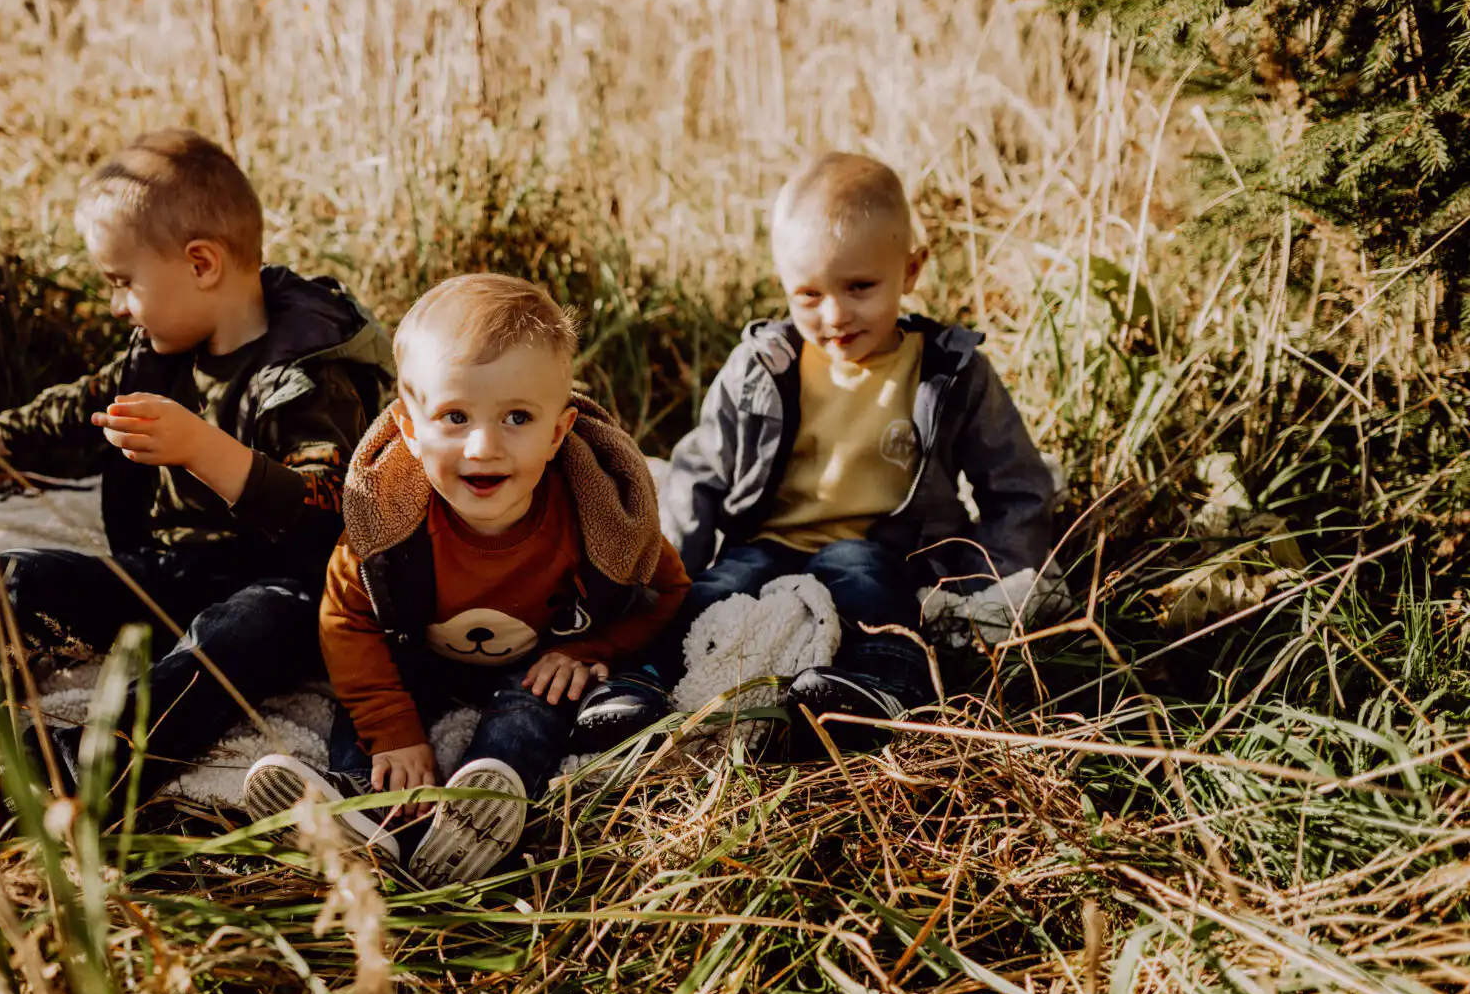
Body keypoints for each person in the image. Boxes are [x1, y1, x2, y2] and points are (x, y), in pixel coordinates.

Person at [0, 129, 393, 801]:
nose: (115, 305)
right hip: (170, 572)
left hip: (284, 592)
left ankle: (92, 767)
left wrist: (202, 449)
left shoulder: (305, 377)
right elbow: (86, 402)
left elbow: (325, 509)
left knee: (234, 634)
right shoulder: (161, 350)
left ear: (201, 264)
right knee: (12, 577)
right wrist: (0, 435)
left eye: (123, 283)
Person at [242, 275, 689, 882]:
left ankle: (483, 804)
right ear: (407, 426)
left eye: (516, 417)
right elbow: (344, 617)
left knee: (538, 704)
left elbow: (668, 590)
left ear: (557, 433)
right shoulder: (387, 520)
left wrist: (590, 649)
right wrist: (392, 729)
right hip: (418, 651)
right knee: (375, 707)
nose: (483, 447)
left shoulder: (598, 520)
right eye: (454, 416)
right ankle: (359, 812)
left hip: (533, 661)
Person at [655, 151, 1056, 750]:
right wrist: (664, 577)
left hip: (886, 547)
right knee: (712, 594)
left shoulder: (948, 371)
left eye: (861, 287)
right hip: (768, 541)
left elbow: (1016, 484)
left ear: (911, 269)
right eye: (808, 295)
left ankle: (881, 685)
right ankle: (641, 681)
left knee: (864, 582)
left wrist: (990, 587)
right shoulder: (763, 368)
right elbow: (698, 473)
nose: (835, 315)